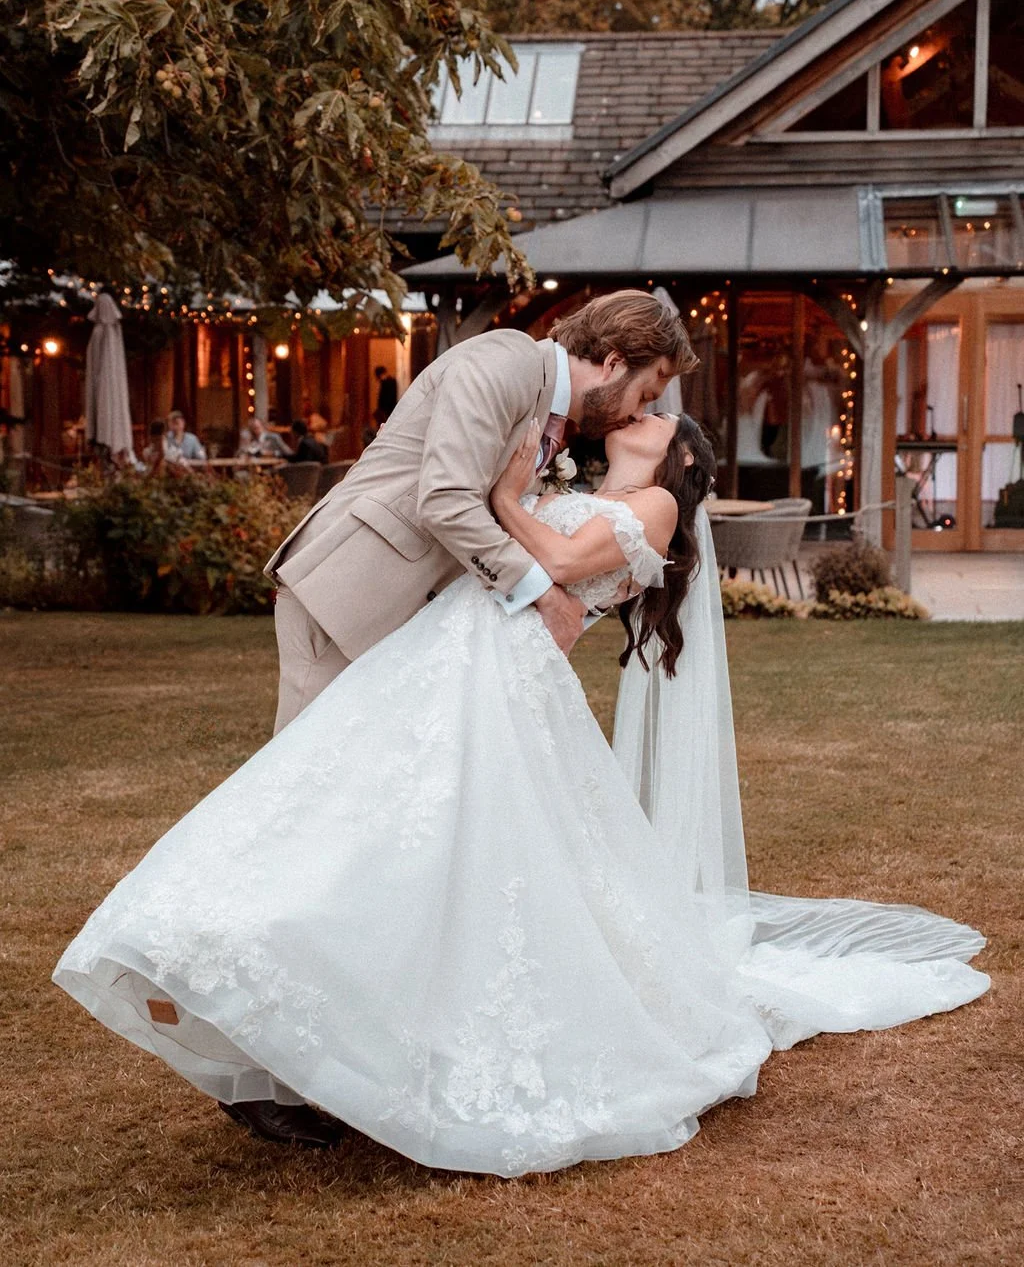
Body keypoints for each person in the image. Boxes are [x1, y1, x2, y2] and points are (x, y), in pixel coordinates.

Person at [53, 412, 988, 1173]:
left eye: (661, 414)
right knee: (353, 813)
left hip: (500, 677)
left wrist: (503, 495)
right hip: (448, 659)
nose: (642, 414)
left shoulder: (656, 505)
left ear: (681, 455)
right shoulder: (598, 482)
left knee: (463, 848)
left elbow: (567, 565)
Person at [265, 291, 691, 733]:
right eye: (644, 395)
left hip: (406, 608)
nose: (637, 414)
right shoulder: (507, 361)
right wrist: (544, 594)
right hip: (351, 587)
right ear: (614, 363)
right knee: (301, 772)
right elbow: (446, 499)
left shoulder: (547, 409)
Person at [373, 364, 398, 428]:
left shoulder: (385, 383)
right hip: (391, 409)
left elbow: (383, 398)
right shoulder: (392, 381)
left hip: (387, 410)